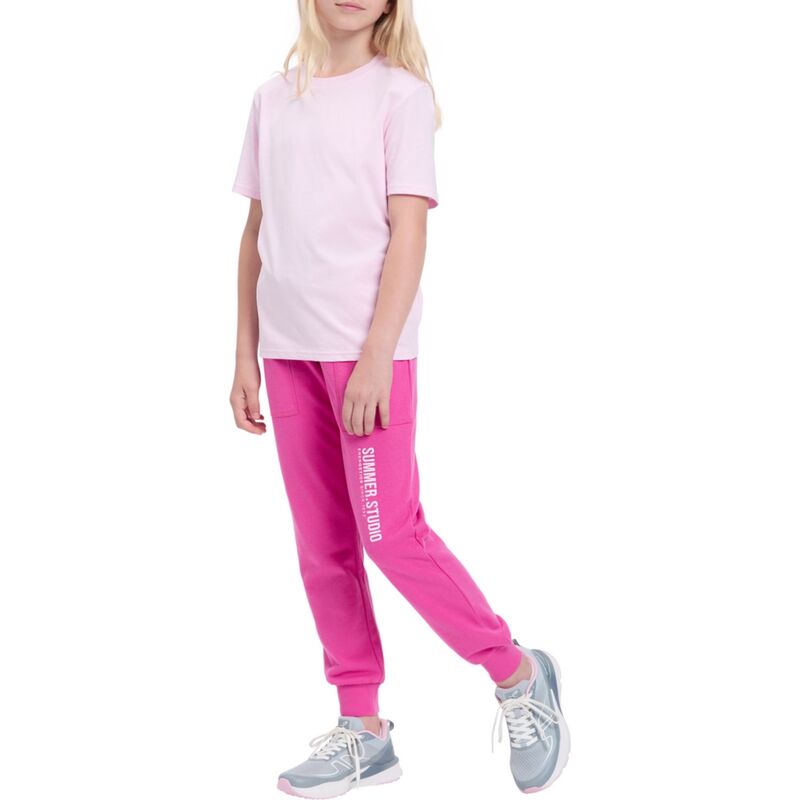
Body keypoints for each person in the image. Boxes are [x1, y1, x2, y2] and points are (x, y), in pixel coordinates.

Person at [229, 1, 570, 795]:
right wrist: (245, 351)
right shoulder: (271, 100)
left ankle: (516, 672)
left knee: (390, 534)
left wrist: (378, 354)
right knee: (323, 545)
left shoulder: (401, 96)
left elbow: (409, 229)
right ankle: (363, 728)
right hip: (288, 354)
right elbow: (255, 233)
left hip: (366, 358)